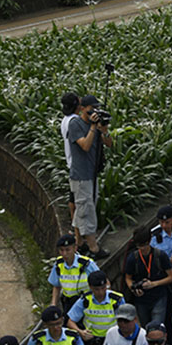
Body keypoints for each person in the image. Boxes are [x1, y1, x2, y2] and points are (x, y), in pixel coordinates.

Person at [66, 95, 112, 258]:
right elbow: (85, 146)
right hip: (81, 176)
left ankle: (79, 243)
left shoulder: (95, 125)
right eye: (91, 108)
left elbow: (109, 144)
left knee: (84, 208)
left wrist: (104, 130)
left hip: (92, 174)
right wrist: (93, 127)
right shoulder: (75, 124)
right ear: (83, 109)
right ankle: (93, 247)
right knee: (87, 211)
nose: (94, 111)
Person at [66, 269, 124, 345]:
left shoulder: (116, 299)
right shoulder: (85, 301)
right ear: (91, 287)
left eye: (103, 288)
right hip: (94, 343)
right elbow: (70, 321)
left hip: (114, 341)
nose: (101, 292)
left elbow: (126, 319)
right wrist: (80, 332)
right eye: (97, 289)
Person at [48, 234, 99, 312]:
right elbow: (56, 286)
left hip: (87, 303)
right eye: (61, 250)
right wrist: (53, 305)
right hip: (69, 304)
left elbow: (103, 282)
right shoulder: (58, 264)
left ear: (75, 248)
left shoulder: (86, 264)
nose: (64, 254)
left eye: (68, 250)